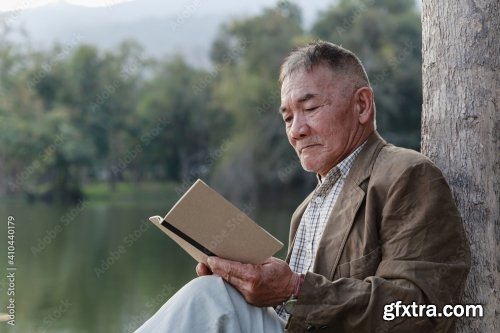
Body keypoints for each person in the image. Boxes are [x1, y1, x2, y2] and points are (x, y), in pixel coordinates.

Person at [135, 41, 470, 333]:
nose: (296, 130)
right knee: (216, 293)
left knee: (208, 299)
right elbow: (291, 314)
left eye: (310, 109)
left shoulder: (407, 175)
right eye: (287, 117)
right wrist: (247, 286)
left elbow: (425, 312)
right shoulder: (305, 210)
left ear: (362, 105)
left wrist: (295, 288)